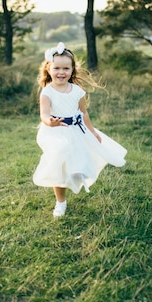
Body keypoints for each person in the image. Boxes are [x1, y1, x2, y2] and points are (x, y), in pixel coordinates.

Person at [33, 42, 127, 217]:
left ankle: (73, 177)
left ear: (72, 70)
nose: (61, 72)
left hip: (77, 131)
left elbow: (83, 112)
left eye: (66, 68)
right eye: (57, 68)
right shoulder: (47, 92)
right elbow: (44, 115)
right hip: (56, 132)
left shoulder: (77, 91)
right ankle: (60, 202)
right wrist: (50, 121)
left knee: (76, 167)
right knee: (59, 167)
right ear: (49, 69)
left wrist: (92, 131)